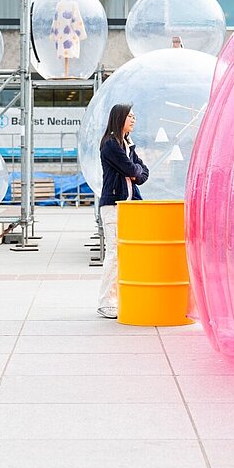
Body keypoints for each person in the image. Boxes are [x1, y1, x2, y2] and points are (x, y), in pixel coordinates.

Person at [97, 103, 149, 318]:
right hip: (113, 205)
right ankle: (106, 302)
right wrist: (134, 171)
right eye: (130, 116)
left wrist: (136, 172)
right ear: (119, 118)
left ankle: (120, 299)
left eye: (134, 116)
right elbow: (130, 168)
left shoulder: (127, 144)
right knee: (115, 253)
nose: (133, 119)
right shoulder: (111, 144)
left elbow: (144, 173)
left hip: (129, 206)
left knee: (126, 254)